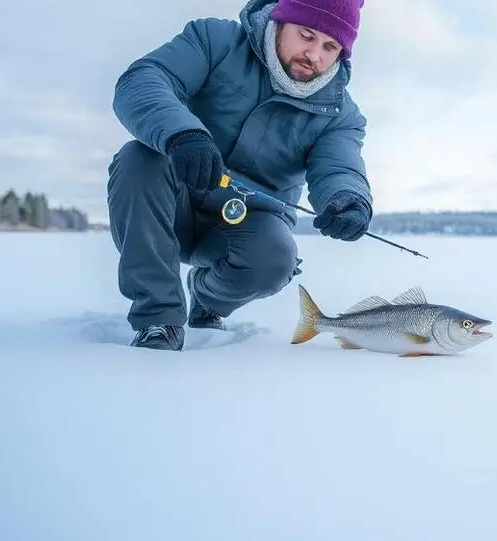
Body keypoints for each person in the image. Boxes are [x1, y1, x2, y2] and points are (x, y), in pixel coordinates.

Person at [106, 0, 373, 351]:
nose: (315, 55)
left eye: (330, 47)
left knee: (275, 258)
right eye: (306, 36)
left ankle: (206, 298)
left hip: (246, 224)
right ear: (281, 20)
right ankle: (158, 319)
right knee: (137, 159)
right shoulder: (215, 40)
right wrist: (182, 133)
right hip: (174, 201)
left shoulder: (340, 113)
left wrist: (349, 200)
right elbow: (143, 80)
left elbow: (339, 165)